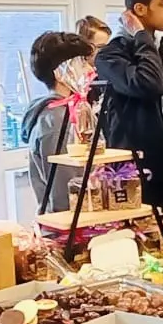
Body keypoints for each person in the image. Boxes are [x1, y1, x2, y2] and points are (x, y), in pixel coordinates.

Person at [94, 0, 163, 212]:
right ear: (140, 9)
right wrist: (141, 35)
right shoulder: (110, 55)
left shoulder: (161, 51)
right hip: (134, 171)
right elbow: (149, 85)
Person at [21, 31, 96, 213]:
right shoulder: (56, 120)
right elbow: (65, 191)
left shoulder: (75, 111)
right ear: (60, 72)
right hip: (70, 227)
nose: (90, 70)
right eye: (82, 62)